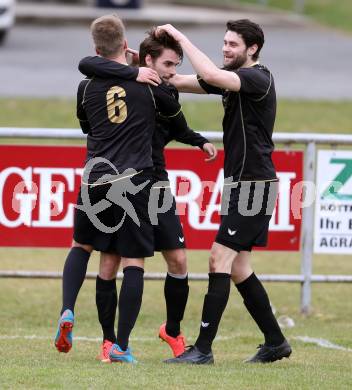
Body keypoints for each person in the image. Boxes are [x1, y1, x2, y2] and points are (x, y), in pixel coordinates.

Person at [54, 14, 193, 364]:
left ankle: (68, 310)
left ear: (96, 46)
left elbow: (85, 122)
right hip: (134, 180)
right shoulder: (147, 85)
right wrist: (136, 74)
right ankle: (121, 345)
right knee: (133, 261)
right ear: (126, 44)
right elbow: (175, 118)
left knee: (84, 246)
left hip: (95, 179)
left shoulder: (86, 85)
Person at [155, 19, 292, 364]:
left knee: (219, 257)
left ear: (252, 49)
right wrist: (143, 66)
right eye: (225, 42)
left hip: (254, 183)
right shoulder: (235, 83)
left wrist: (181, 37)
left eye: (233, 44)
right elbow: (178, 80)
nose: (225, 48)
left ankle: (202, 350)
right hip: (242, 183)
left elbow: (213, 76)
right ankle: (275, 342)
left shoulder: (256, 78)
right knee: (238, 267)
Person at [78, 28, 218, 363]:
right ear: (148, 61)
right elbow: (87, 64)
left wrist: (199, 140)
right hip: (125, 183)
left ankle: (171, 329)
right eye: (169, 63)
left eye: (176, 64)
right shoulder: (133, 86)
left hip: (156, 185)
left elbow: (179, 126)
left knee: (179, 259)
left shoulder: (163, 92)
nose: (173, 70)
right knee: (112, 262)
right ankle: (109, 341)